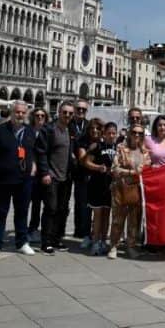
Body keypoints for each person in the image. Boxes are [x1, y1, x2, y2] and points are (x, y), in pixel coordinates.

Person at [0, 101, 37, 258]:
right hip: (2, 179)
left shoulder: (29, 131)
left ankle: (22, 242)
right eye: (17, 112)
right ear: (11, 113)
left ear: (26, 114)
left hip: (24, 179)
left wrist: (33, 165)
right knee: (0, 212)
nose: (20, 115)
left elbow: (32, 151)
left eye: (23, 112)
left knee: (22, 212)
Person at [35, 101, 75, 254]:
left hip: (65, 177)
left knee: (62, 209)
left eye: (70, 113)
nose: (67, 115)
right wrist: (45, 172)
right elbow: (41, 152)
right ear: (59, 112)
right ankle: (46, 242)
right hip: (52, 176)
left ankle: (57, 239)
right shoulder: (49, 129)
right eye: (65, 112)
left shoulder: (70, 130)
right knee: (51, 208)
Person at [109, 121, 150, 259]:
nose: (137, 135)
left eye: (140, 133)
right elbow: (114, 169)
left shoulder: (145, 152)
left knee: (134, 221)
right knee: (117, 220)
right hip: (121, 188)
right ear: (129, 134)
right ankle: (113, 245)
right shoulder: (121, 148)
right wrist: (131, 172)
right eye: (134, 132)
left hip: (137, 190)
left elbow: (148, 170)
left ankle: (131, 246)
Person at [82, 119, 118, 255]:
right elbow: (86, 162)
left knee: (106, 215)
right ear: (104, 134)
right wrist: (98, 167)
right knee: (98, 215)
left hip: (110, 186)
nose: (111, 135)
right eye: (109, 133)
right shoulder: (97, 146)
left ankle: (103, 240)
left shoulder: (118, 148)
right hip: (97, 184)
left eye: (114, 133)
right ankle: (95, 242)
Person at [73, 118, 104, 251]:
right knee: (85, 208)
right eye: (92, 128)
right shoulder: (83, 142)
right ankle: (86, 235)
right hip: (85, 178)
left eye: (97, 128)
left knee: (100, 210)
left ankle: (98, 235)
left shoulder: (104, 142)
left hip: (101, 180)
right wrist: (90, 151)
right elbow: (82, 161)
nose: (95, 131)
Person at [70, 99, 92, 250]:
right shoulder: (67, 122)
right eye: (78, 109)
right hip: (67, 167)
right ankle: (59, 231)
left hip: (82, 168)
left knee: (83, 201)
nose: (81, 112)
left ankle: (82, 230)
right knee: (65, 202)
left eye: (84, 110)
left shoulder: (89, 125)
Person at [26, 107, 49, 245]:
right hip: (29, 171)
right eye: (37, 115)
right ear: (33, 117)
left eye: (42, 115)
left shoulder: (48, 131)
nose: (40, 117)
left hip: (44, 172)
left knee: (39, 203)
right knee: (27, 202)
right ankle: (27, 228)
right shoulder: (28, 131)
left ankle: (35, 229)